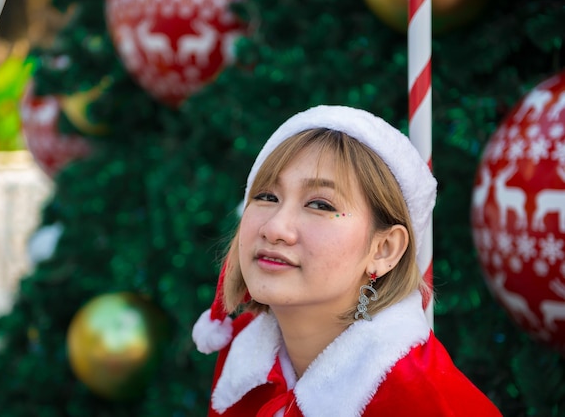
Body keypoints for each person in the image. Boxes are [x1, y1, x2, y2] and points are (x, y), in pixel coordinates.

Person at [192, 105, 502, 416]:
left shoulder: (425, 402)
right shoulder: (241, 357)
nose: (275, 229)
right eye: (266, 197)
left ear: (384, 249)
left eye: (320, 204)